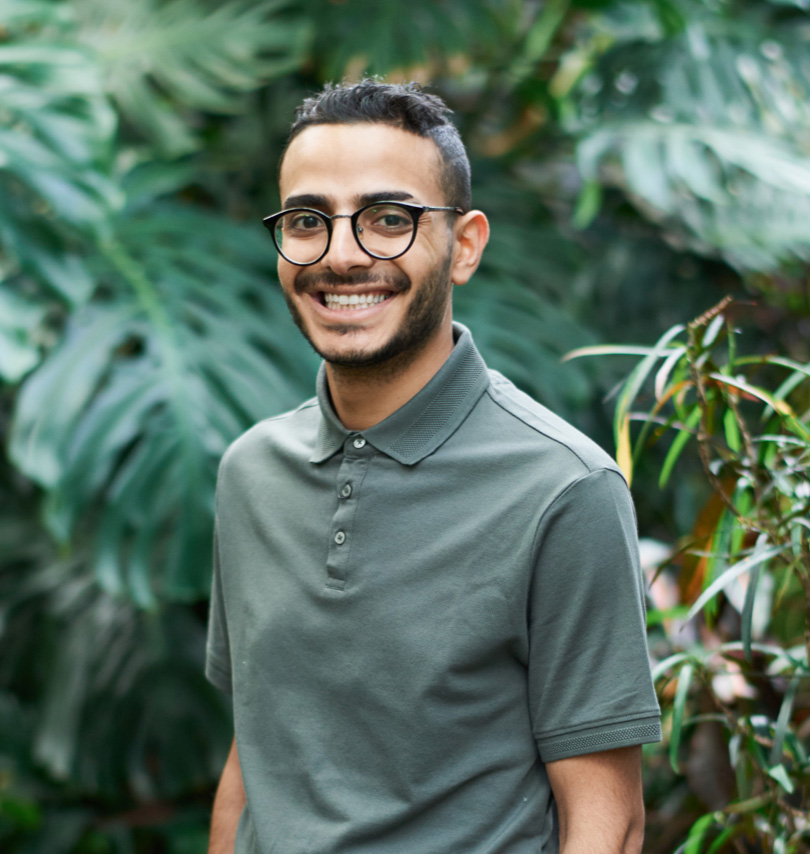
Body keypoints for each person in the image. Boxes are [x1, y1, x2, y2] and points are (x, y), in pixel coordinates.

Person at [205, 78, 661, 854]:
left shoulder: (563, 487)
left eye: (389, 219)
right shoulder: (251, 473)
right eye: (308, 221)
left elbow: (608, 821)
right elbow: (255, 761)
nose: (342, 255)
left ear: (465, 246)